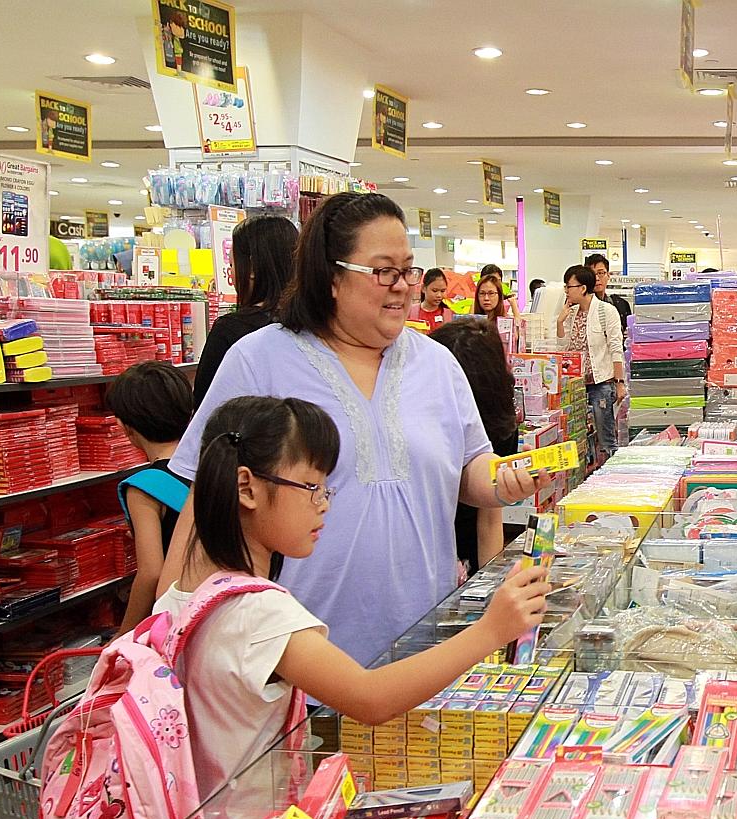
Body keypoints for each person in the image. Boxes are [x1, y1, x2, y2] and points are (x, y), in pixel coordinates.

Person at [159, 191, 545, 666]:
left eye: (409, 270)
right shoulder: (258, 362)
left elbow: (469, 467)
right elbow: (206, 500)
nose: (403, 286)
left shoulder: (437, 364)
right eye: (385, 271)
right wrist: (166, 630)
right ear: (332, 277)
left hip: (428, 651)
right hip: (298, 659)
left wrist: (506, 479)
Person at [161, 395, 550, 798]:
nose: (323, 505)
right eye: (311, 487)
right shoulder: (259, 614)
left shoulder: (181, 599)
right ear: (247, 488)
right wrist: (490, 630)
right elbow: (370, 698)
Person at [106, 361, 195, 636]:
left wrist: (124, 635)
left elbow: (151, 572)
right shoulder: (214, 465)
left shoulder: (145, 487)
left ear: (126, 428)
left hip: (177, 617)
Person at [430, 318, 519, 574]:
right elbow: (490, 519)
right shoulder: (500, 420)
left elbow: (490, 516)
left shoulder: (497, 425)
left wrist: (487, 585)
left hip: (457, 553)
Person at [194, 215, 298, 405]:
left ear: (251, 268)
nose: (232, 274)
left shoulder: (231, 330)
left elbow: (205, 407)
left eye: (232, 264)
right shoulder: (314, 324)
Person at [557, 264, 626, 459]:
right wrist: (559, 323)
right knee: (578, 438)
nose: (566, 291)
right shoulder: (570, 314)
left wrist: (619, 383)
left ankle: (612, 475)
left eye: (568, 286)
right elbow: (562, 348)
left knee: (606, 439)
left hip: (601, 383)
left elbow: (616, 349)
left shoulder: (606, 311)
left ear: (582, 288)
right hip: (575, 386)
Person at [584, 253, 632, 332]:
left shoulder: (621, 305)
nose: (596, 278)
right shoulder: (581, 307)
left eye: (601, 273)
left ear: (608, 275)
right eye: (592, 274)